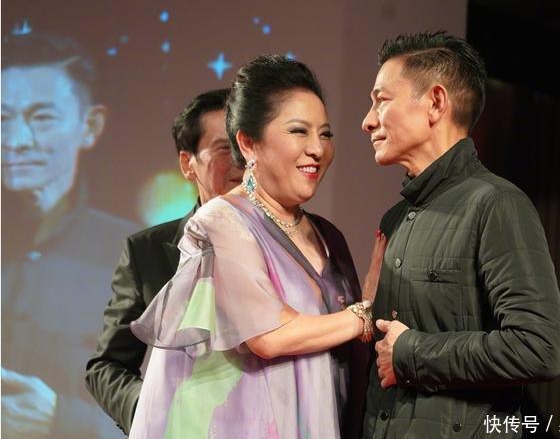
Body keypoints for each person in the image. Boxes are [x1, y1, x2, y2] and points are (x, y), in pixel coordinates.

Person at [128, 55, 385, 439]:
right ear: (248, 143)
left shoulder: (328, 236)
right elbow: (268, 334)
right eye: (298, 131)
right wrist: (364, 314)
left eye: (326, 134)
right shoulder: (220, 222)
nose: (317, 149)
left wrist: (372, 304)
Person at [360, 31, 560, 438]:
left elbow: (540, 347)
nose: (367, 120)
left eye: (381, 100)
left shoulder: (496, 204)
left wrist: (412, 353)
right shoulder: (394, 219)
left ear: (436, 103)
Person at [1, 32, 137, 437]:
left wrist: (62, 420)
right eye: (2, 118)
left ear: (90, 126)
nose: (16, 142)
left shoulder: (137, 258)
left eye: (41, 118)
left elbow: (181, 417)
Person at [85, 89, 243, 435]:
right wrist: (155, 413)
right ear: (188, 164)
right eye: (224, 148)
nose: (240, 159)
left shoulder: (296, 242)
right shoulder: (147, 252)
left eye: (246, 144)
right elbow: (106, 366)